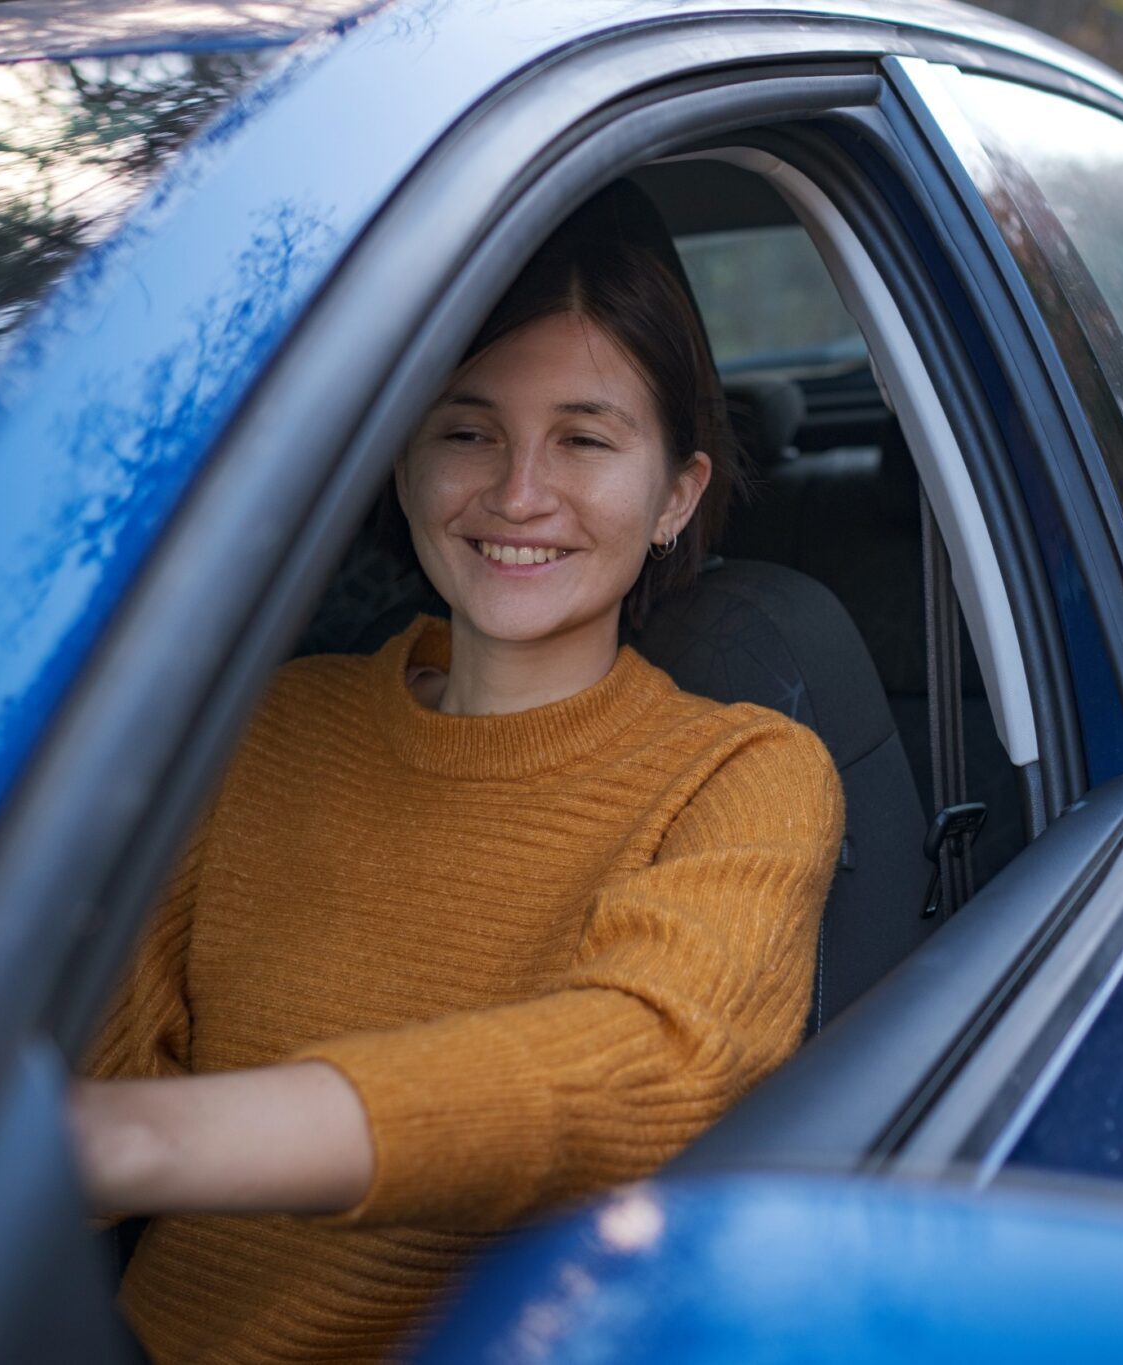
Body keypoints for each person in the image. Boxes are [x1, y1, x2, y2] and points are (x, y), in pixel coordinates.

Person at [70, 197, 846, 1363]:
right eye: (467, 431)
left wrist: (138, 1138)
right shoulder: (274, 725)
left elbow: (639, 1067)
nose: (518, 494)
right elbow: (85, 1093)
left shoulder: (744, 772)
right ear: (402, 456)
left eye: (583, 440)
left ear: (676, 494)